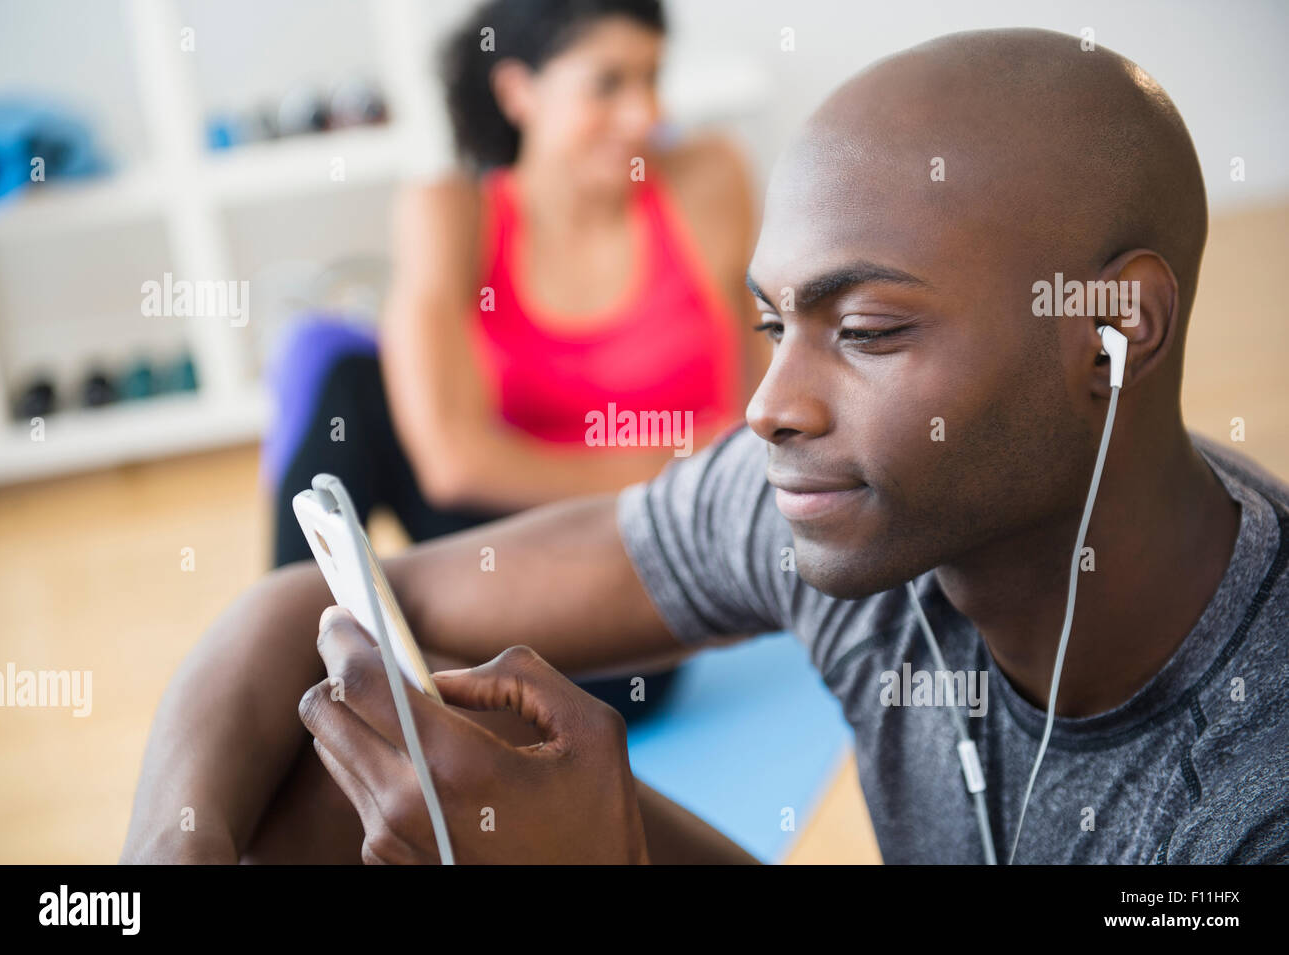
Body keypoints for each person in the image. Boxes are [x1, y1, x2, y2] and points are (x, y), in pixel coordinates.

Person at [123, 28, 1289, 865]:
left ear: (1110, 327)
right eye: (774, 325)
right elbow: (297, 608)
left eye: (868, 331)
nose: (769, 405)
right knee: (353, 785)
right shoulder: (840, 502)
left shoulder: (1251, 779)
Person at [263, 0, 764, 725]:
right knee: (349, 382)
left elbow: (757, 410)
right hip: (505, 547)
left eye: (653, 78)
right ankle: (284, 664)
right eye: (608, 84)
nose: (645, 113)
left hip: (637, 581)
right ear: (517, 90)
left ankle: (398, 674)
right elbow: (451, 463)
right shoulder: (453, 211)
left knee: (615, 676)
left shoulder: (705, 179)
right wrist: (655, 469)